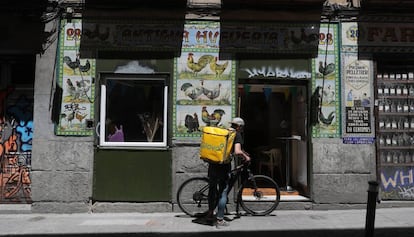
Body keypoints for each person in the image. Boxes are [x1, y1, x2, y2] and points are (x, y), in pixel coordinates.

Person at [206, 117, 251, 227]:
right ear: (239, 126)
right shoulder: (236, 134)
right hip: (223, 166)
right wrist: (246, 157)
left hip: (212, 164)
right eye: (242, 127)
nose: (242, 129)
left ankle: (210, 213)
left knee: (212, 188)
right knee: (223, 192)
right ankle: (220, 220)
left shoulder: (224, 131)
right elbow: (237, 151)